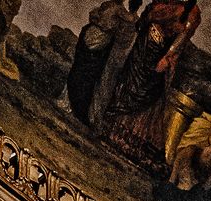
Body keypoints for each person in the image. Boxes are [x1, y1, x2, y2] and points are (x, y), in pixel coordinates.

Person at [103, 0, 200, 167]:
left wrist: (167, 57)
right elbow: (151, 12)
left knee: (148, 92)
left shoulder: (193, 11)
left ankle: (132, 143)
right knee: (128, 83)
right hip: (143, 47)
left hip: (158, 54)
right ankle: (111, 130)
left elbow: (183, 37)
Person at [65, 0, 140, 130]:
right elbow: (121, 22)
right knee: (86, 72)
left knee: (85, 71)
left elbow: (96, 15)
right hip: (97, 40)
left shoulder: (112, 6)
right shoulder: (120, 10)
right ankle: (77, 107)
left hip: (95, 38)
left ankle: (77, 106)